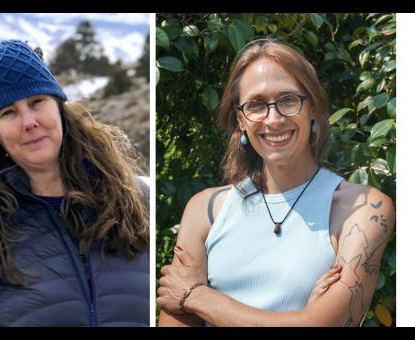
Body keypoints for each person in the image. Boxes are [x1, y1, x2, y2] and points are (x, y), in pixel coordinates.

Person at [0, 39, 150, 327]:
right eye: (8, 112)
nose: (29, 121)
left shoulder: (134, 199)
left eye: (37, 102)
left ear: (59, 107)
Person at [157, 39, 395, 327]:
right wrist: (294, 319)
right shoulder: (205, 210)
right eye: (256, 105)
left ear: (313, 108)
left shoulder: (364, 209)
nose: (273, 119)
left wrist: (197, 297)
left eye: (288, 100)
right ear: (241, 120)